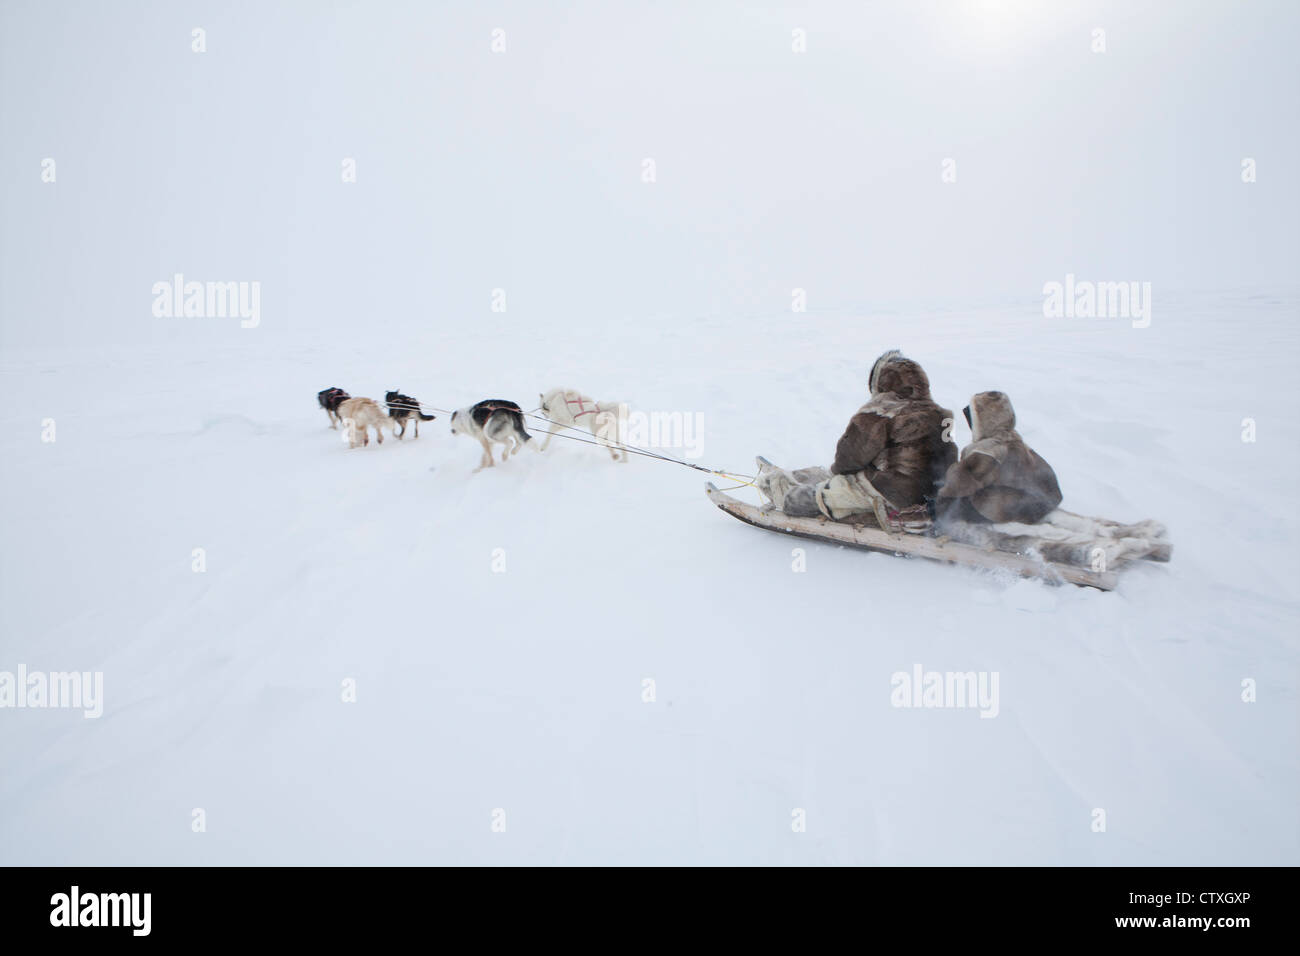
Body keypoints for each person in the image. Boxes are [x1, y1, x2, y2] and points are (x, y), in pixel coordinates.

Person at [755, 350, 957, 530]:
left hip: (889, 491)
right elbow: (949, 459)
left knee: (811, 497)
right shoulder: (940, 413)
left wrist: (838, 477)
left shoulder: (882, 410)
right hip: (930, 496)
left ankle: (782, 492)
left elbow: (849, 457)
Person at [934, 391, 1061, 525]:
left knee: (952, 506)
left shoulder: (988, 449)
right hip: (1038, 506)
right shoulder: (1016, 441)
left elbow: (957, 485)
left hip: (1007, 511)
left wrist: (936, 504)